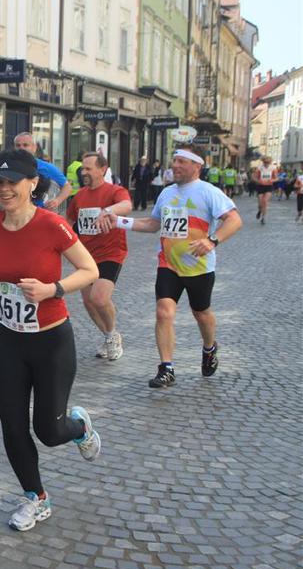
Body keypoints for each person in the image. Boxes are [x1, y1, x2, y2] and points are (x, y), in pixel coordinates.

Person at [0, 149, 101, 532]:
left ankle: (79, 428)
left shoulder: (52, 225)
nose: (4, 190)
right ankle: (35, 497)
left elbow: (89, 270)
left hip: (52, 342)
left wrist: (53, 289)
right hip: (10, 341)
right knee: (12, 426)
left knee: (49, 432)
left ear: (33, 183)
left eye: (12, 182)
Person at [104, 145, 242, 388]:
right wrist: (119, 221)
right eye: (174, 160)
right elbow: (152, 224)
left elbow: (234, 220)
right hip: (168, 264)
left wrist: (212, 240)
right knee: (163, 312)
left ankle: (209, 347)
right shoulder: (167, 193)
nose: (175, 165)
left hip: (198, 266)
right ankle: (166, 368)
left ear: (197, 166)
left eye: (181, 162)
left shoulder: (209, 192)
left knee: (201, 313)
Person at [66, 152, 133, 360]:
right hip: (86, 255)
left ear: (102, 170)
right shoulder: (80, 196)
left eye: (88, 168)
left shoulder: (115, 191)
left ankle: (112, 336)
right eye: (82, 169)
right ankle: (109, 335)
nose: (83, 172)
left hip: (111, 252)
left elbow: (127, 206)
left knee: (99, 298)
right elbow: (69, 221)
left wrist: (107, 211)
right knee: (88, 302)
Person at [13, 133, 71, 211]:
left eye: (25, 145)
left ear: (34, 148)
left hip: (40, 213)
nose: (21, 148)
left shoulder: (46, 167)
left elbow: (67, 187)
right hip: (15, 213)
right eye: (18, 145)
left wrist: (57, 201)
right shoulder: (8, 166)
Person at [253, 156, 277, 225]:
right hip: (260, 186)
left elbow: (276, 178)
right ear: (263, 162)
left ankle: (263, 218)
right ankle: (260, 210)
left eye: (268, 162)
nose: (266, 164)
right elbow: (254, 177)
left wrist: (272, 180)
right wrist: (258, 181)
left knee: (265, 201)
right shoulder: (259, 168)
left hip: (269, 186)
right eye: (265, 162)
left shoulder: (273, 168)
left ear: (270, 162)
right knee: (260, 203)